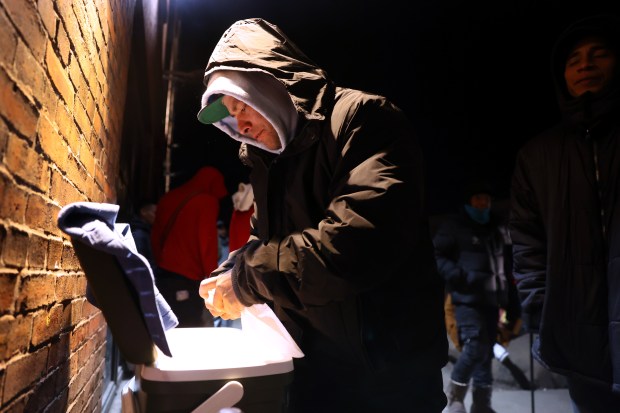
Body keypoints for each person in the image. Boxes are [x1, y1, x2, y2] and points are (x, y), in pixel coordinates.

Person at [195, 17, 448, 413]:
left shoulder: (364, 119)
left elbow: (354, 244)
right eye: (229, 113)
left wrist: (247, 278)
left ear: (271, 85)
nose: (238, 122)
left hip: (386, 378)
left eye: (241, 105)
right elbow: (265, 240)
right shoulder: (268, 160)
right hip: (312, 372)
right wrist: (229, 271)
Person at [509, 14, 620, 412]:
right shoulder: (538, 155)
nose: (585, 65)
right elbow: (526, 239)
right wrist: (539, 305)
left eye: (598, 55)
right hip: (579, 339)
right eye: (574, 60)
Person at [434, 182, 521, 413]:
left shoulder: (495, 228)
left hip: (492, 301)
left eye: (486, 199)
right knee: (474, 347)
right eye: (478, 199)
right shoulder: (455, 226)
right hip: (466, 300)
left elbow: (507, 265)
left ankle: (482, 406)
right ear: (468, 201)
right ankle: (455, 396)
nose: (483, 203)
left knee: (485, 352)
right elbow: (438, 256)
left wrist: (511, 301)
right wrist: (460, 276)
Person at [150, 166, 228, 328]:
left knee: (167, 327)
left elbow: (155, 237)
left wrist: (162, 262)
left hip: (164, 274)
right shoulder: (207, 202)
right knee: (190, 329)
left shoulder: (168, 198)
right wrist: (212, 276)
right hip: (190, 279)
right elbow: (207, 244)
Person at [128, 201, 157, 269]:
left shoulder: (146, 231)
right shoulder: (139, 234)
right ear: (143, 212)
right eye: (155, 213)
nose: (157, 217)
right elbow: (141, 262)